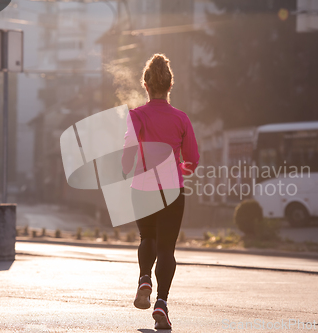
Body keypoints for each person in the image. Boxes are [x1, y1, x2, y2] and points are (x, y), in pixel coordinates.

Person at [121, 53, 199, 330]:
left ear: (146, 85)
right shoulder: (181, 118)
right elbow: (192, 157)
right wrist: (181, 170)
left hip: (142, 187)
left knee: (147, 238)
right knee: (167, 248)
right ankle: (162, 305)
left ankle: (144, 278)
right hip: (172, 189)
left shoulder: (136, 116)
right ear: (169, 86)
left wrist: (126, 167)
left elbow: (130, 146)